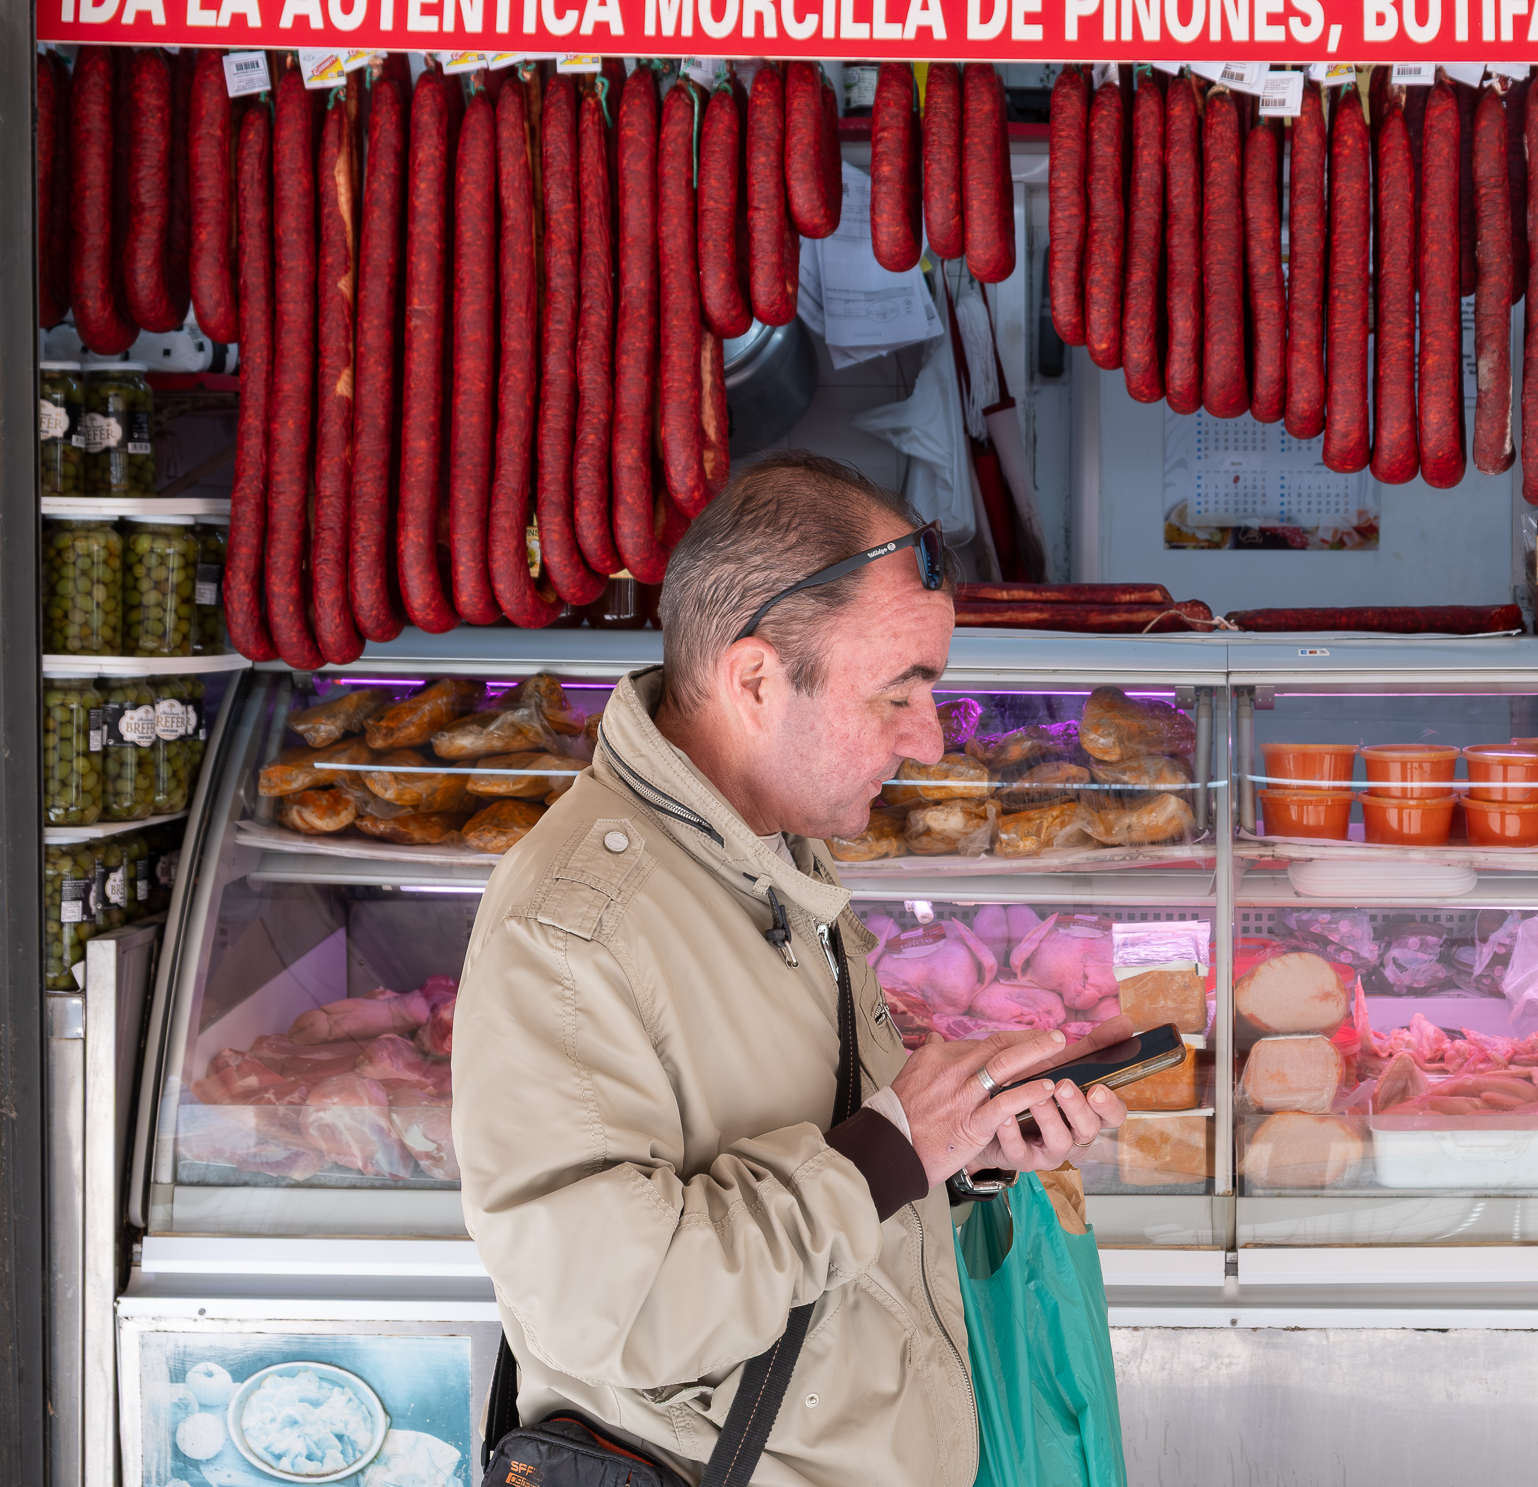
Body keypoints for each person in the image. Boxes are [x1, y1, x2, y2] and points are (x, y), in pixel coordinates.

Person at [454, 450, 1127, 1487]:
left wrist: (958, 1155)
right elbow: (613, 1312)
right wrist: (888, 1155)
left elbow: (821, 1162)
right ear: (756, 679)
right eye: (897, 695)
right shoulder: (575, 927)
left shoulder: (765, 849)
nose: (933, 741)